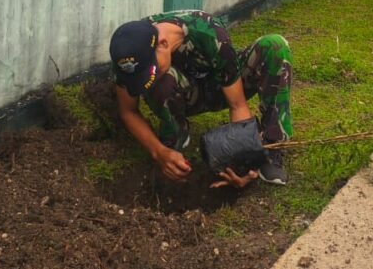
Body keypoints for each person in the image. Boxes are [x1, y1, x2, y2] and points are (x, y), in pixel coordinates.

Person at [110, 10, 292, 189]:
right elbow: (128, 111)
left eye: (151, 72)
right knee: (161, 82)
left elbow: (237, 105)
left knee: (275, 45)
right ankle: (175, 133)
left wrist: (243, 164)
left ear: (163, 44)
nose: (148, 79)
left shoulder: (210, 33)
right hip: (183, 94)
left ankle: (271, 146)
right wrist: (159, 152)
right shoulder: (130, 53)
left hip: (222, 88)